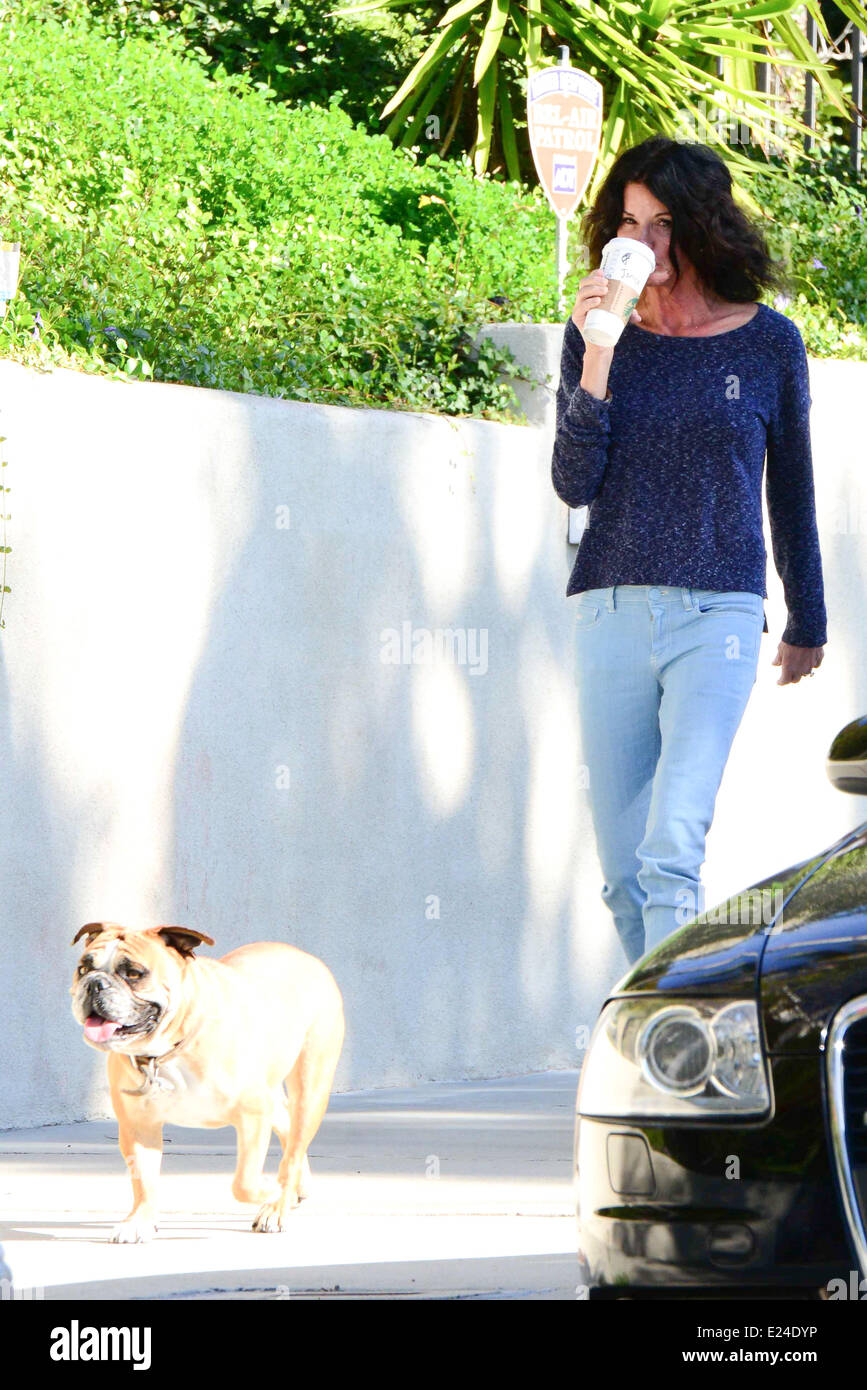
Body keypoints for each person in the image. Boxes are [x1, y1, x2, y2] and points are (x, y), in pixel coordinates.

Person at [551, 135, 827, 967]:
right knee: (619, 870)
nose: (644, 242)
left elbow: (793, 488)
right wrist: (596, 349)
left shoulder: (767, 343)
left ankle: (671, 1049)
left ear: (703, 226)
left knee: (670, 847)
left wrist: (806, 616)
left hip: (720, 613)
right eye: (630, 221)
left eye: (664, 222)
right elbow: (572, 482)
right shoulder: (597, 335)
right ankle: (653, 1033)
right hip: (609, 608)